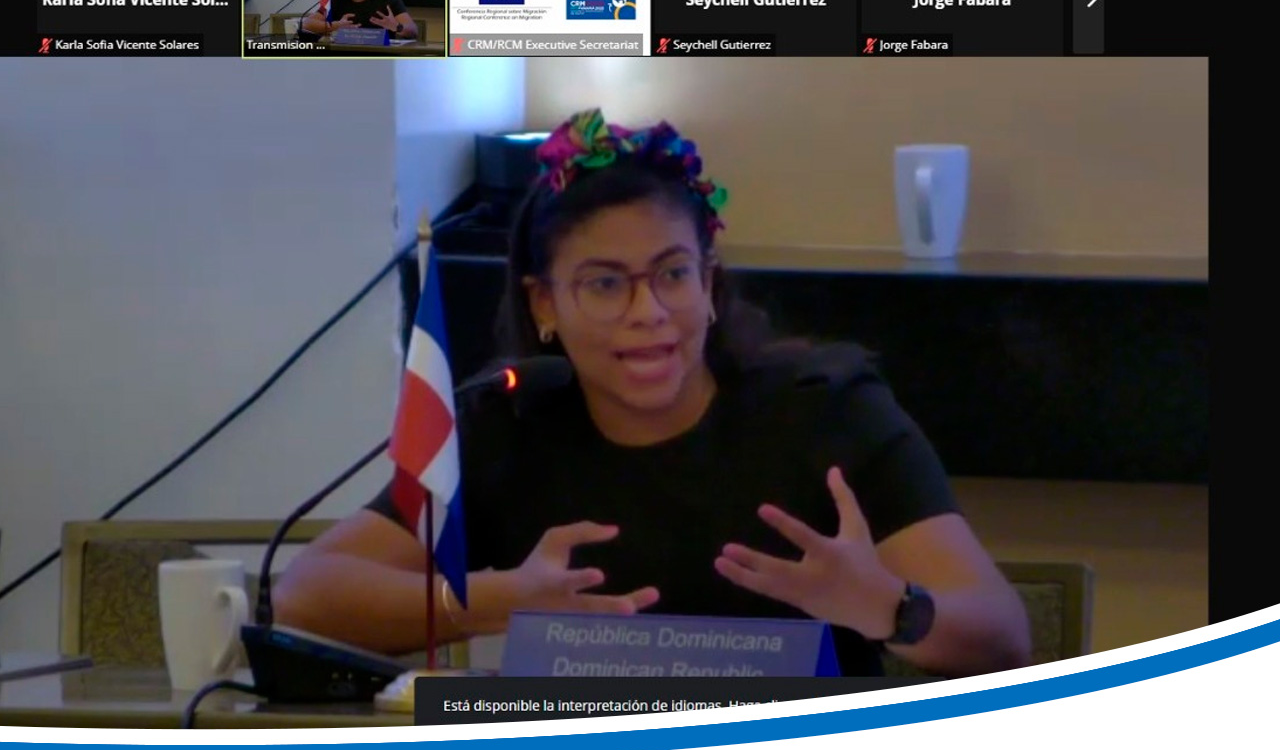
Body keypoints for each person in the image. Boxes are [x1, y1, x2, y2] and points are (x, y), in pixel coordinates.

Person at [275, 108, 1031, 677]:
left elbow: (1003, 636)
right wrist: (489, 601)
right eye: (605, 284)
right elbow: (307, 594)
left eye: (672, 274)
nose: (649, 312)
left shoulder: (826, 409)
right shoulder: (506, 419)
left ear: (709, 284)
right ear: (544, 304)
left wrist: (888, 606)